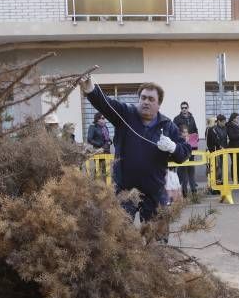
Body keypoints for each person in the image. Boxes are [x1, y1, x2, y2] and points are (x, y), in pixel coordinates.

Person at [80, 75, 190, 222]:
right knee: (122, 237)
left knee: (156, 238)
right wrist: (91, 89)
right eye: (143, 98)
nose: (146, 102)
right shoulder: (126, 114)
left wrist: (173, 147)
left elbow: (184, 153)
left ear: (159, 104)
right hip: (124, 190)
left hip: (154, 192)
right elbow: (106, 104)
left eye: (151, 99)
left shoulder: (167, 125)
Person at [174, 101, 199, 196]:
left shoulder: (191, 118)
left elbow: (195, 130)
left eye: (185, 107)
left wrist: (195, 138)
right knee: (182, 170)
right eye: (182, 108)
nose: (184, 109)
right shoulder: (176, 119)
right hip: (181, 148)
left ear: (188, 108)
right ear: (181, 109)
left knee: (191, 169)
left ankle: (194, 191)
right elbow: (174, 132)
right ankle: (184, 192)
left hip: (191, 147)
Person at [206, 114, 228, 186]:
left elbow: (224, 139)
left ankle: (220, 183)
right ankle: (214, 184)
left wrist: (225, 147)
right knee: (215, 168)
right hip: (215, 151)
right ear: (218, 121)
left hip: (222, 151)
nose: (225, 123)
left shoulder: (224, 128)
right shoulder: (212, 130)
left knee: (220, 168)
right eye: (223, 122)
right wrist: (219, 146)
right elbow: (212, 141)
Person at [226, 112, 239, 183]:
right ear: (233, 119)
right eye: (237, 118)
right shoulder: (229, 125)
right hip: (234, 147)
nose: (238, 119)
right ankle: (234, 178)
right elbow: (231, 136)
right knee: (234, 163)